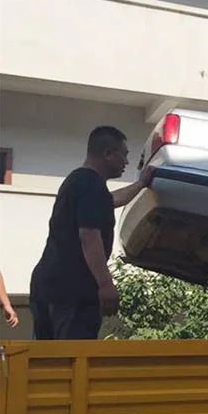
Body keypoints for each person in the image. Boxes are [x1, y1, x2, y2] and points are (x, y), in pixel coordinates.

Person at [29, 126, 154, 340]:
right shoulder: (91, 185)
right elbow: (88, 236)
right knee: (72, 362)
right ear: (107, 154)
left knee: (45, 362)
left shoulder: (78, 181)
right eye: (123, 155)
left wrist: (142, 184)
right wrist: (105, 284)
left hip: (48, 286)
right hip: (72, 292)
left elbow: (112, 200)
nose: (126, 162)